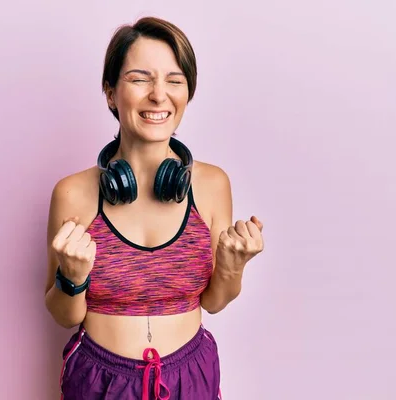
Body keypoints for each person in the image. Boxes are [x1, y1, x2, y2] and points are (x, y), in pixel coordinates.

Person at [44, 16, 264, 400]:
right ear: (111, 93)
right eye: (140, 78)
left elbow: (213, 301)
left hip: (190, 374)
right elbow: (65, 315)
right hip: (100, 380)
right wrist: (73, 276)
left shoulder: (213, 185)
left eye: (174, 80)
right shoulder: (72, 193)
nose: (159, 95)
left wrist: (232, 267)